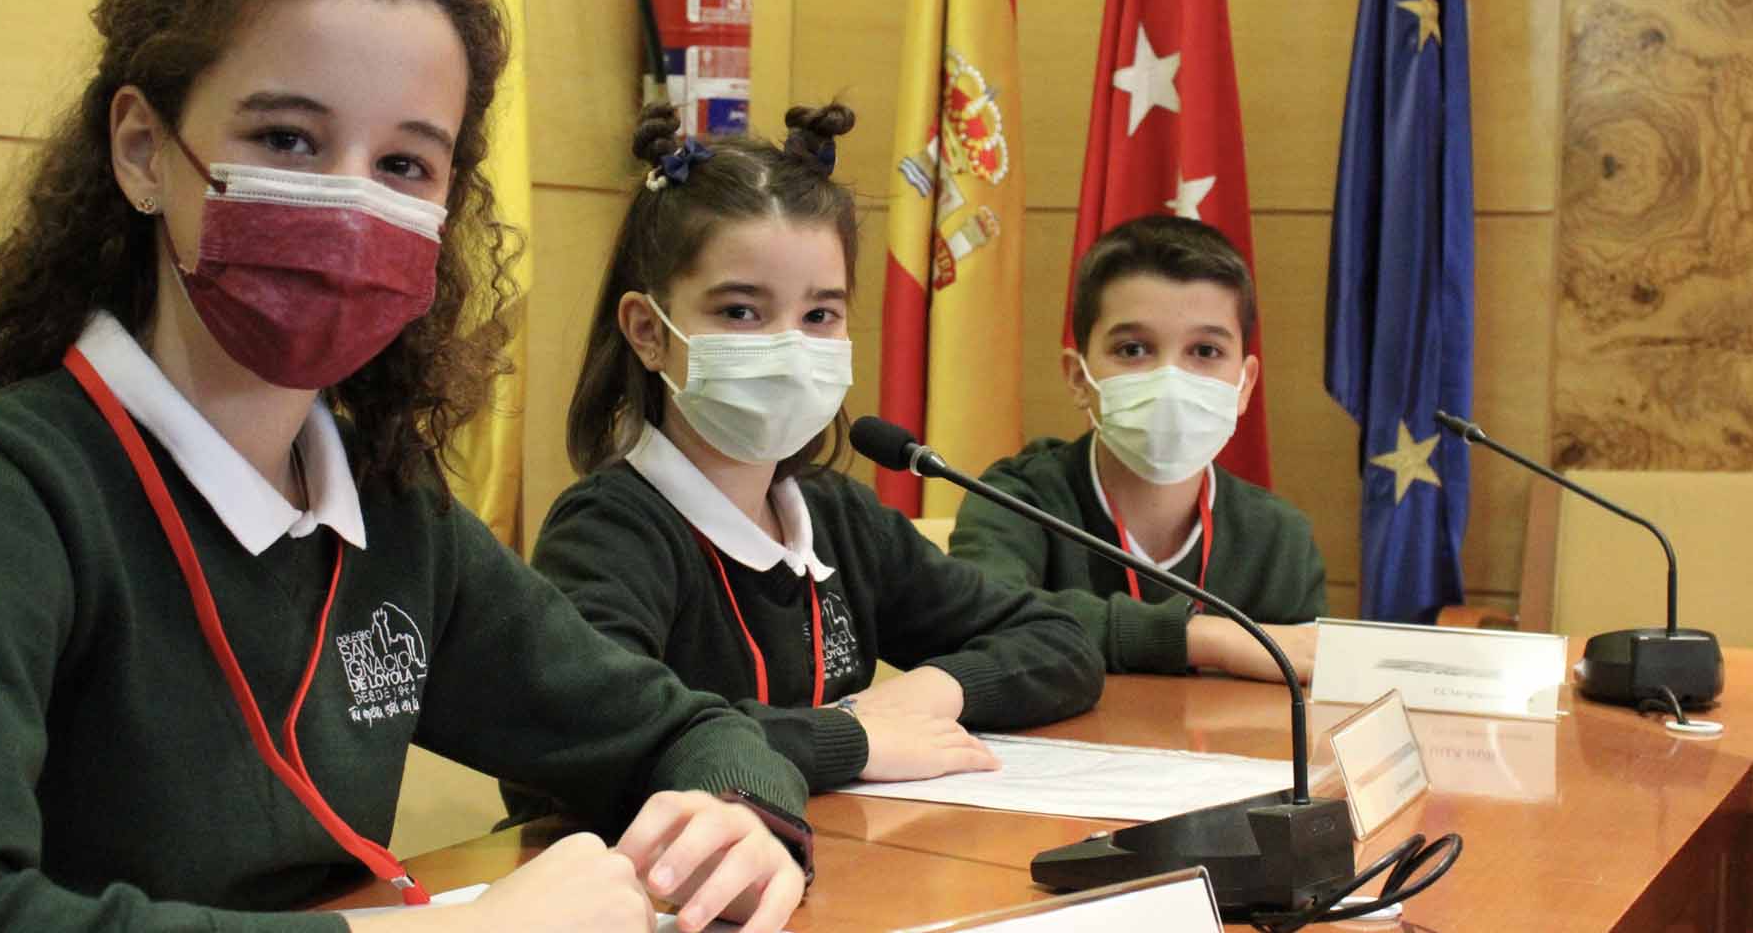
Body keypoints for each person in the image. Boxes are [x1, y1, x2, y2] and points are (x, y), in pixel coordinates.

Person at [0, 0, 805, 933]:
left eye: (406, 164)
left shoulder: (390, 503)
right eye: (288, 138)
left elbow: (673, 729)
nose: (351, 201)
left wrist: (742, 812)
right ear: (143, 151)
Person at [507, 103, 1103, 809]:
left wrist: (931, 691)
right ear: (648, 331)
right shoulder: (608, 530)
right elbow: (598, 737)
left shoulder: (837, 516)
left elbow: (1061, 642)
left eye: (819, 315)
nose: (789, 347)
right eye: (741, 311)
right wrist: (851, 739)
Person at [949, 215, 1326, 682]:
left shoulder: (1279, 537)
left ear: (1244, 385)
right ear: (1078, 378)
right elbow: (982, 616)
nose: (1170, 380)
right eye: (1133, 350)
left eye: (1205, 351)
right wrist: (1205, 638)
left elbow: (1303, 695)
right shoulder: (1015, 500)